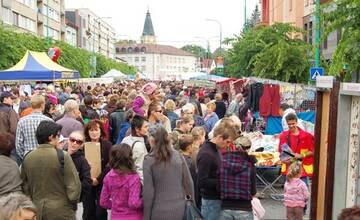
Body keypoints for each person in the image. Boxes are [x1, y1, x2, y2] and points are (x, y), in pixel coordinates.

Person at [21, 120, 81, 220]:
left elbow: (25, 185)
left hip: (37, 209)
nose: (58, 138)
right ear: (50, 137)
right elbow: (73, 185)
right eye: (57, 135)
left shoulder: (28, 157)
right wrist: (72, 204)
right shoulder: (62, 156)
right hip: (61, 210)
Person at [143, 126, 194, 220]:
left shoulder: (148, 160)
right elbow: (188, 182)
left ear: (152, 140)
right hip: (180, 209)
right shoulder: (178, 155)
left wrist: (146, 217)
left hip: (158, 212)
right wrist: (192, 204)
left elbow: (148, 192)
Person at [197, 123, 238, 220]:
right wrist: (224, 180)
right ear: (219, 137)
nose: (228, 145)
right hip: (211, 201)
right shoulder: (206, 153)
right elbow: (201, 181)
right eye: (227, 142)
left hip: (216, 199)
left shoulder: (215, 149)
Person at [100, 144, 143, 220]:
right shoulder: (133, 177)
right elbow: (134, 203)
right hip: (133, 216)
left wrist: (115, 205)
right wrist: (145, 201)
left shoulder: (108, 177)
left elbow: (103, 202)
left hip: (116, 216)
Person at [219, 136, 257, 220]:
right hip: (244, 208)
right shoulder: (250, 165)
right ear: (248, 149)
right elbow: (253, 191)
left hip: (225, 207)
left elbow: (218, 185)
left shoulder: (222, 162)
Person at [83, 119, 112, 220]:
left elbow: (109, 165)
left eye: (96, 130)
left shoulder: (107, 145)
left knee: (101, 210)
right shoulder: (83, 145)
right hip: (87, 181)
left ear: (101, 131)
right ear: (87, 132)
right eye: (91, 130)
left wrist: (98, 179)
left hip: (102, 182)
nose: (94, 133)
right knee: (88, 210)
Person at [278, 113, 314, 184]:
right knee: (289, 193)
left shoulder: (307, 136)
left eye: (293, 123)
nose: (291, 126)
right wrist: (284, 160)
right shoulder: (283, 136)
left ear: (297, 122)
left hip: (302, 171)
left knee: (303, 193)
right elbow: (280, 152)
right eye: (289, 124)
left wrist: (302, 155)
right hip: (289, 169)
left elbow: (313, 151)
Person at [16, 95, 53, 161]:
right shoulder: (49, 121)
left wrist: (24, 156)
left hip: (28, 157)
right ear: (42, 105)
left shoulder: (22, 121)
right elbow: (53, 141)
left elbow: (18, 144)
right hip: (46, 157)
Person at [66, 131, 92, 207]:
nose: (74, 143)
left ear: (82, 145)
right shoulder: (59, 154)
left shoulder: (82, 160)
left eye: (78, 142)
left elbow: (87, 181)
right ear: (68, 140)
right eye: (72, 140)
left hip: (72, 199)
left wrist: (74, 191)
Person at [121, 115, 149, 183]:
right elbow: (139, 169)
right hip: (135, 182)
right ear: (137, 129)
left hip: (124, 178)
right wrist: (144, 186)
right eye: (145, 127)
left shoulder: (125, 139)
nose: (148, 129)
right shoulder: (139, 146)